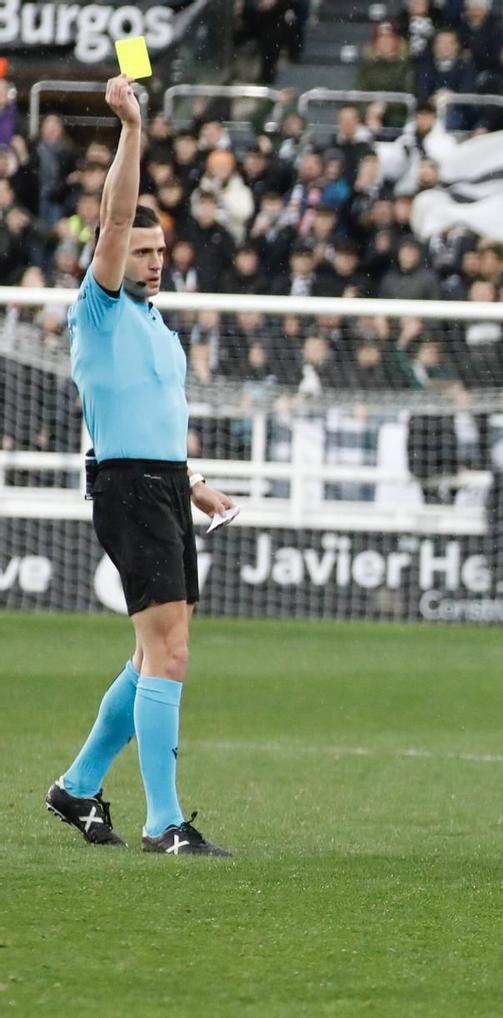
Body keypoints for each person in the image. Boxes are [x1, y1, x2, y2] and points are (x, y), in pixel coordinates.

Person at [46, 75, 238, 857]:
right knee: (171, 650)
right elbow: (116, 216)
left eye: (161, 251)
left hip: (161, 484)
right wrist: (133, 130)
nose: (150, 260)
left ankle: (79, 786)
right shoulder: (98, 306)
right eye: (140, 248)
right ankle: (165, 821)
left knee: (153, 652)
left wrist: (192, 482)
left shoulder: (158, 328)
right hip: (123, 487)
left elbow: (158, 420)